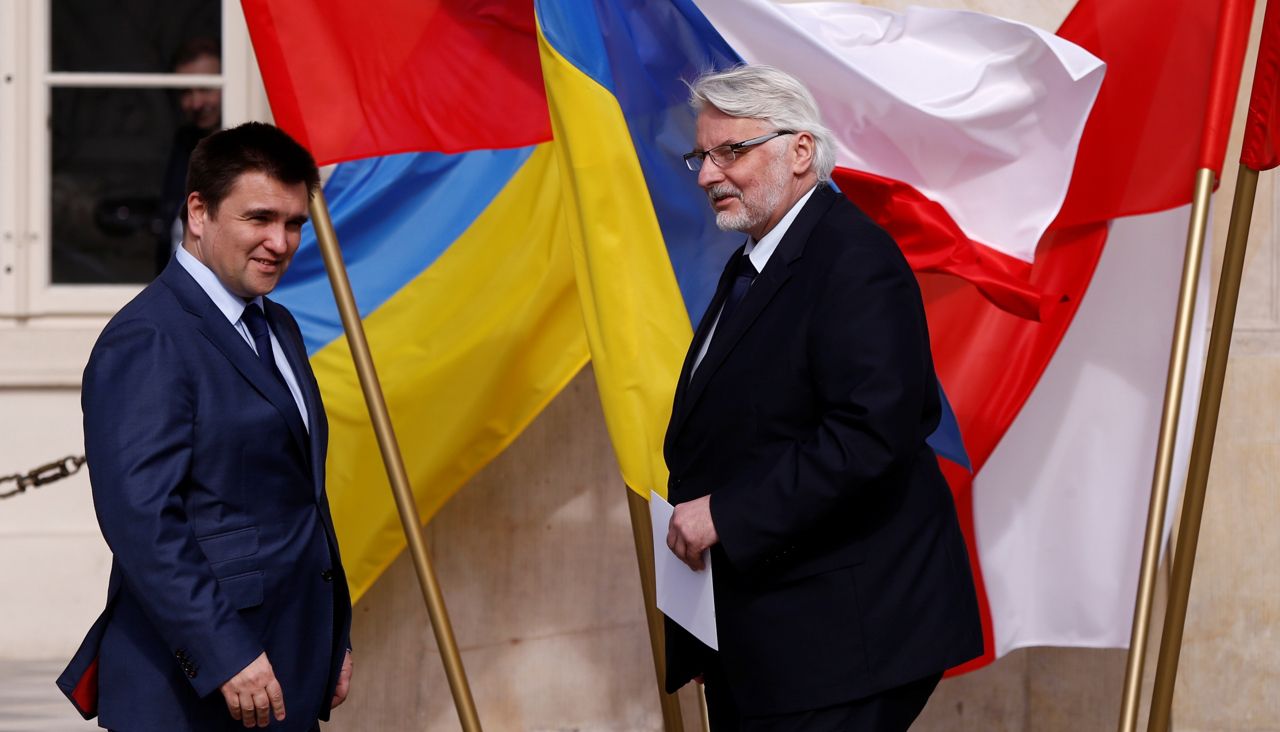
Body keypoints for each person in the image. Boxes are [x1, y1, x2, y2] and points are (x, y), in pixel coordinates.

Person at [663, 65, 983, 731]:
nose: (706, 175)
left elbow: (869, 438)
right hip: (771, 639)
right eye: (701, 155)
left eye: (730, 151)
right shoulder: (756, 261)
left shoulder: (853, 257)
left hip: (846, 643)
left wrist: (725, 513)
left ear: (800, 151)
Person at [58, 122, 353, 731]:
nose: (280, 242)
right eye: (259, 218)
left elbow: (294, 500)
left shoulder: (278, 324)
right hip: (192, 691)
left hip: (284, 668)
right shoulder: (148, 336)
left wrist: (331, 635)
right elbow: (144, 523)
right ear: (199, 212)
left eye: (294, 223)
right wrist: (225, 654)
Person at [155, 37, 223, 275]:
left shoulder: (250, 150)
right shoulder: (184, 143)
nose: (196, 103)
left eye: (206, 89)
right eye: (186, 92)